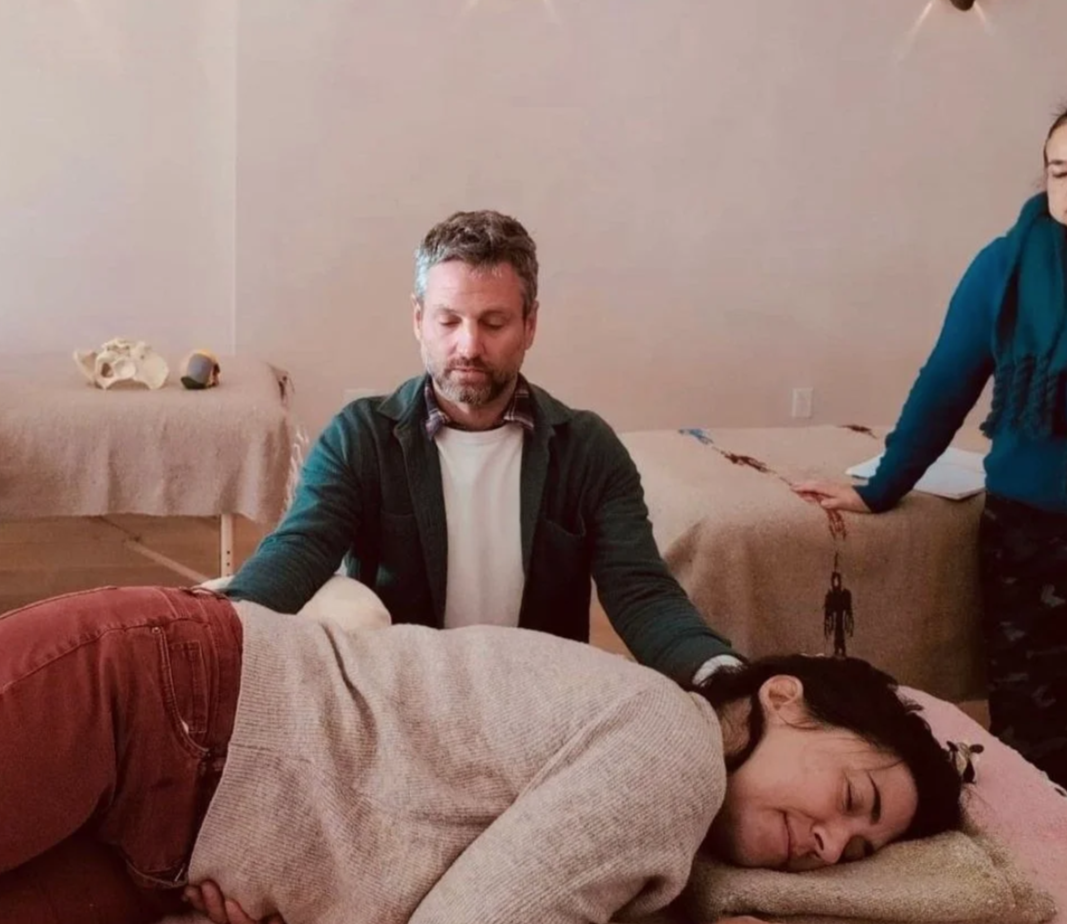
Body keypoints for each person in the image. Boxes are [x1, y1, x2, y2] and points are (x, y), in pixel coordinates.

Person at [0, 584, 964, 924]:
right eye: (856, 798)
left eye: (860, 852)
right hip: (146, 700)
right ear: (785, 700)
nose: (833, 844)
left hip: (165, 841)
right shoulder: (672, 752)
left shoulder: (665, 847)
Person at [224, 210, 742, 689]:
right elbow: (298, 550)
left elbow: (642, 592)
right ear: (418, 319)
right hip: (399, 701)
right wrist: (211, 628)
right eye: (448, 321)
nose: (469, 346)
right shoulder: (360, 437)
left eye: (494, 323)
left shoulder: (587, 449)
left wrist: (723, 676)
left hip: (542, 702)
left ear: (530, 325)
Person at [796, 96, 1067, 810]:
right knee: (1042, 733)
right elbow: (945, 385)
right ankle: (1050, 855)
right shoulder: (1007, 269)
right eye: (1059, 169)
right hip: (1039, 537)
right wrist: (882, 485)